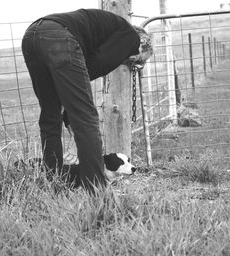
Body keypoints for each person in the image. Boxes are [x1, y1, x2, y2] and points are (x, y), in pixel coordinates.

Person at [21, 8, 153, 193]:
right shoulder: (131, 38)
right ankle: (96, 192)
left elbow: (75, 77)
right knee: (86, 119)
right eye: (138, 61)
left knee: (50, 116)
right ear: (142, 45)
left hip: (31, 37)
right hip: (59, 38)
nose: (132, 64)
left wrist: (67, 111)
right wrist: (73, 116)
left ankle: (54, 182)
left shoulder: (109, 30)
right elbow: (93, 66)